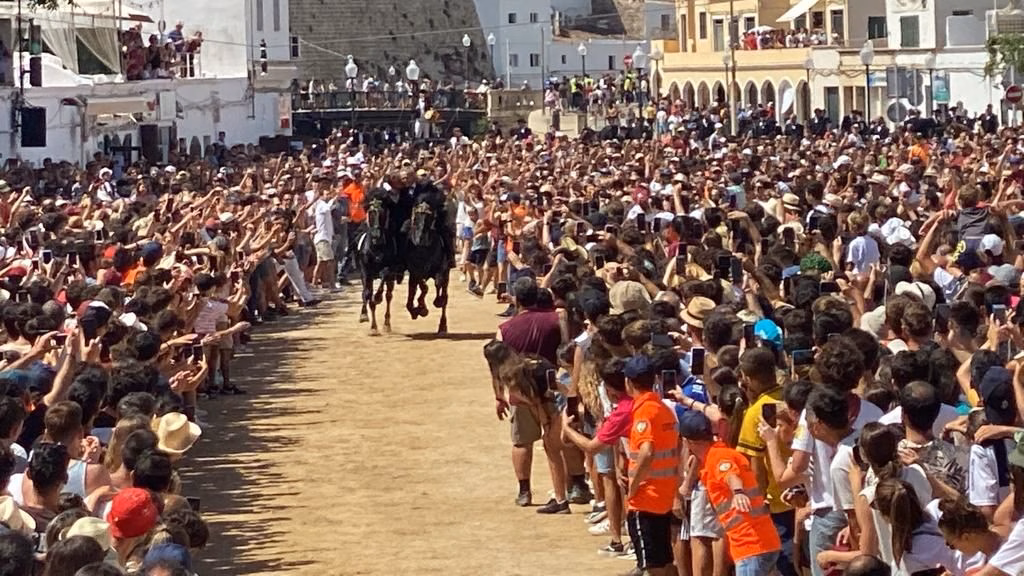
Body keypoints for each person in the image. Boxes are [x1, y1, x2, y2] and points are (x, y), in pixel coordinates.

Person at [680, 409, 781, 576]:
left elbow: (730, 475)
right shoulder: (719, 454)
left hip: (751, 547)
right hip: (762, 543)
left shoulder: (718, 457)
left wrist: (738, 492)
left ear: (686, 441)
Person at [623, 355, 681, 576]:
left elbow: (647, 451)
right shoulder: (664, 409)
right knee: (665, 560)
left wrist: (633, 486)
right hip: (664, 497)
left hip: (645, 499)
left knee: (653, 566)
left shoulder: (644, 412)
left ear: (628, 382)